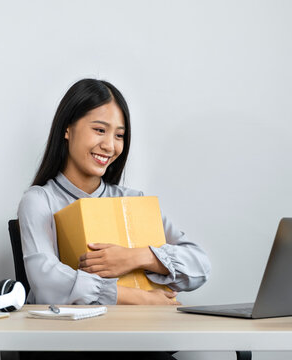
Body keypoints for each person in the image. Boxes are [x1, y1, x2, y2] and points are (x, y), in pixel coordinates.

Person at [16, 79, 211, 359]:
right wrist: (140, 298)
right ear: (67, 129)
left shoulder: (132, 201)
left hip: (135, 340)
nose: (109, 145)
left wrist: (136, 257)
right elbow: (46, 285)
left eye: (119, 135)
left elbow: (200, 265)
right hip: (71, 348)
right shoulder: (39, 200)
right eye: (99, 130)